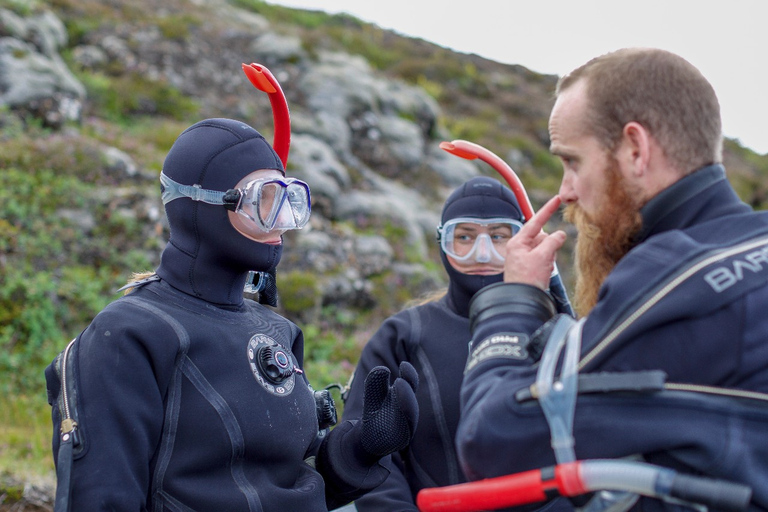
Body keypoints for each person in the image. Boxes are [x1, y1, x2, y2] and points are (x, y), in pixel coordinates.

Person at [44, 117, 420, 512]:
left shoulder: (278, 332)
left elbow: (295, 484)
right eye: (264, 199)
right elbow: (101, 497)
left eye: (287, 201)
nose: (280, 222)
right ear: (198, 204)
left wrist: (360, 449)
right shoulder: (131, 334)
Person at [456, 48, 768, 509]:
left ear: (635, 149)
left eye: (573, 161)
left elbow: (492, 437)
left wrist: (514, 300)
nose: (565, 190)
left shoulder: (674, 279)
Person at [344, 175, 569, 510]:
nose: (482, 252)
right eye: (464, 237)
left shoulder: (559, 329)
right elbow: (368, 451)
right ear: (442, 243)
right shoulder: (402, 336)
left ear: (524, 241)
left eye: (498, 236)